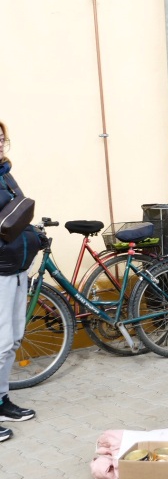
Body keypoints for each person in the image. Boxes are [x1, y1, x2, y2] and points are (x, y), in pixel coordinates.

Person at [0, 120, 42, 442]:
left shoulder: (6, 174)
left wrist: (32, 236)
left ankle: (2, 400)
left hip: (17, 268)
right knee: (0, 345)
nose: (0, 144)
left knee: (13, 340)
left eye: (2, 139)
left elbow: (15, 215)